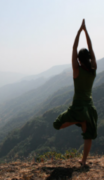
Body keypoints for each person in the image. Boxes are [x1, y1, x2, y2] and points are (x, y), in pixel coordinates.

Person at [53, 19, 98, 167]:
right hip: (89, 108)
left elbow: (74, 48)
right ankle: (84, 161)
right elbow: (91, 49)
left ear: (79, 59)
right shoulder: (93, 70)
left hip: (77, 107)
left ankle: (78, 120)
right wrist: (87, 32)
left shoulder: (76, 71)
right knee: (88, 135)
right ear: (89, 59)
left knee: (58, 124)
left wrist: (80, 31)